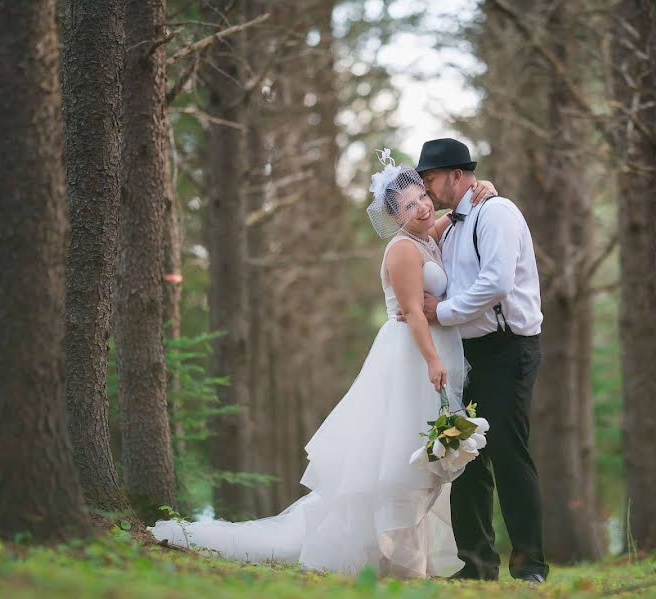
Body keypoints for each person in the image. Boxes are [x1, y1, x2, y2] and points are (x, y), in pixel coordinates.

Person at [149, 153, 495, 579]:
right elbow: (414, 312)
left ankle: (404, 554)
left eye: (423, 196)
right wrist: (432, 360)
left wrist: (484, 192)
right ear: (395, 217)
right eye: (409, 205)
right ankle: (386, 556)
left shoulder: (428, 236)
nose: (423, 206)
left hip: (425, 357)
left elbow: (452, 219)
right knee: (398, 460)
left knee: (418, 457)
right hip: (410, 359)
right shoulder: (404, 250)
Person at [415, 138, 548, 583]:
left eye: (431, 179)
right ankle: (475, 566)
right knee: (463, 458)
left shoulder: (498, 214)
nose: (428, 190)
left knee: (510, 455)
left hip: (508, 350)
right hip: (464, 353)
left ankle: (531, 569)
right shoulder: (452, 225)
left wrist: (442, 311)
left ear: (457, 175)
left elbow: (495, 283)